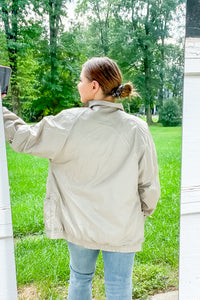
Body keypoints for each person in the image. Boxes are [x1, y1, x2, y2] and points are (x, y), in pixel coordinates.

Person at [2, 57, 160, 300]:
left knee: (80, 278)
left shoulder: (69, 121)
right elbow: (149, 185)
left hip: (80, 224)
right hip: (123, 225)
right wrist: (143, 211)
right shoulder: (138, 127)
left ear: (94, 86)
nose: (78, 85)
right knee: (119, 285)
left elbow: (23, 138)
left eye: (80, 80)